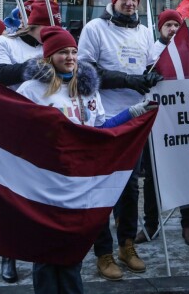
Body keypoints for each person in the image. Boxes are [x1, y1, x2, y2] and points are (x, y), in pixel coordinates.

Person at [17, 26, 155, 293]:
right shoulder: (31, 90)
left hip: (80, 182)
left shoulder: (88, 89)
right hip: (48, 183)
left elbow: (101, 130)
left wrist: (133, 112)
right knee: (47, 250)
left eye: (73, 52)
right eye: (62, 52)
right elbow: (21, 135)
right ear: (48, 57)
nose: (69, 57)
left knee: (72, 249)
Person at [77, 0, 162, 281]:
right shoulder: (94, 29)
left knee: (130, 186)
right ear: (113, 0)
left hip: (135, 120)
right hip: (102, 121)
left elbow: (151, 66)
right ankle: (103, 252)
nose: (129, 3)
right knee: (103, 187)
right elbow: (84, 71)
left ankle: (127, 245)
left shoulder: (144, 32)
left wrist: (152, 77)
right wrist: (127, 80)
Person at [0, 0, 60, 283]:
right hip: (12, 125)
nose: (52, 29)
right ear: (33, 24)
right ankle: (10, 253)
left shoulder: (53, 45)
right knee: (14, 192)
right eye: (48, 24)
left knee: (44, 191)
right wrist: (35, 66)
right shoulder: (3, 43)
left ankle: (43, 250)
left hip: (47, 126)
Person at [136, 9, 189, 246]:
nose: (173, 30)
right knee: (152, 178)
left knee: (186, 173)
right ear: (160, 28)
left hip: (186, 122)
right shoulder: (150, 52)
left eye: (176, 25)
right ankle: (151, 224)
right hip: (156, 123)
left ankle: (188, 224)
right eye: (168, 25)